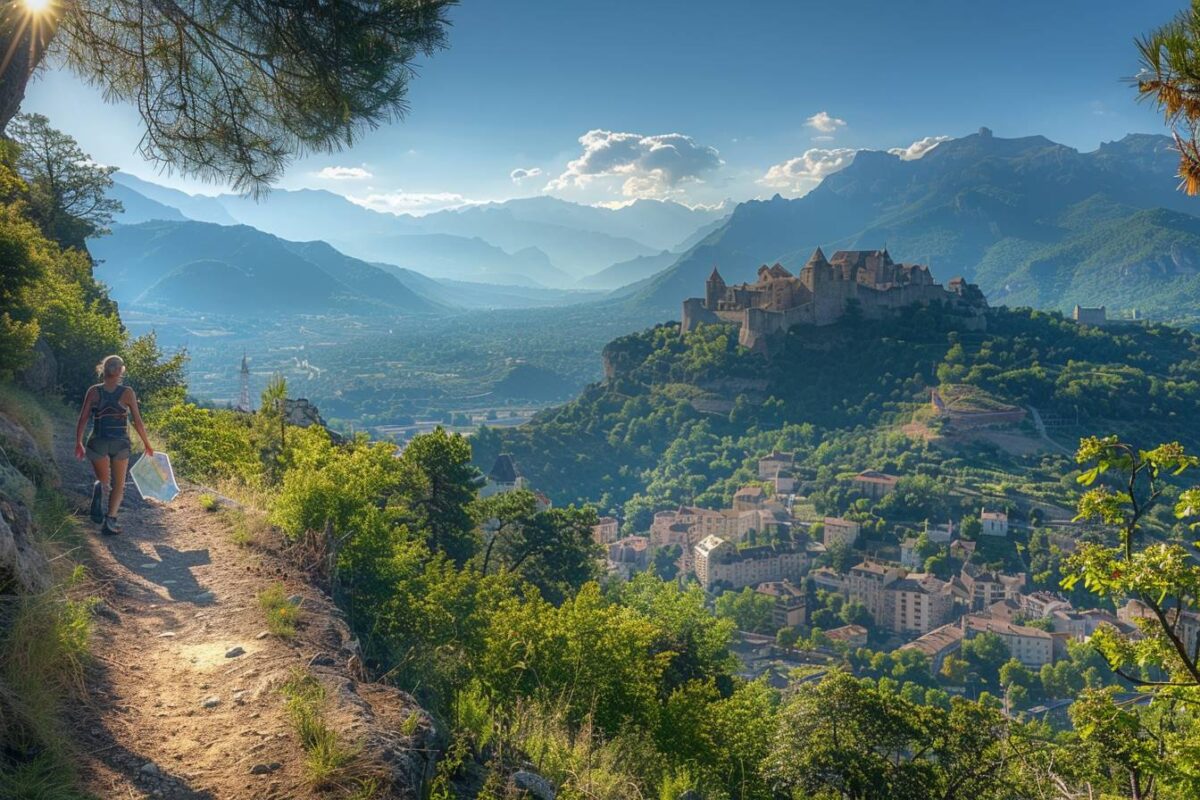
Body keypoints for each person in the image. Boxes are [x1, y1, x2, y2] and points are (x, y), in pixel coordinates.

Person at [74, 355, 154, 535]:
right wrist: (147, 444)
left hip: (97, 442)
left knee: (104, 481)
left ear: (103, 370)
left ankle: (99, 488)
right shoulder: (127, 392)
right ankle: (110, 521)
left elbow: (83, 418)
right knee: (119, 485)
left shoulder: (93, 391)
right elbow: (138, 422)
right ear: (120, 371)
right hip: (120, 443)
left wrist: (78, 442)